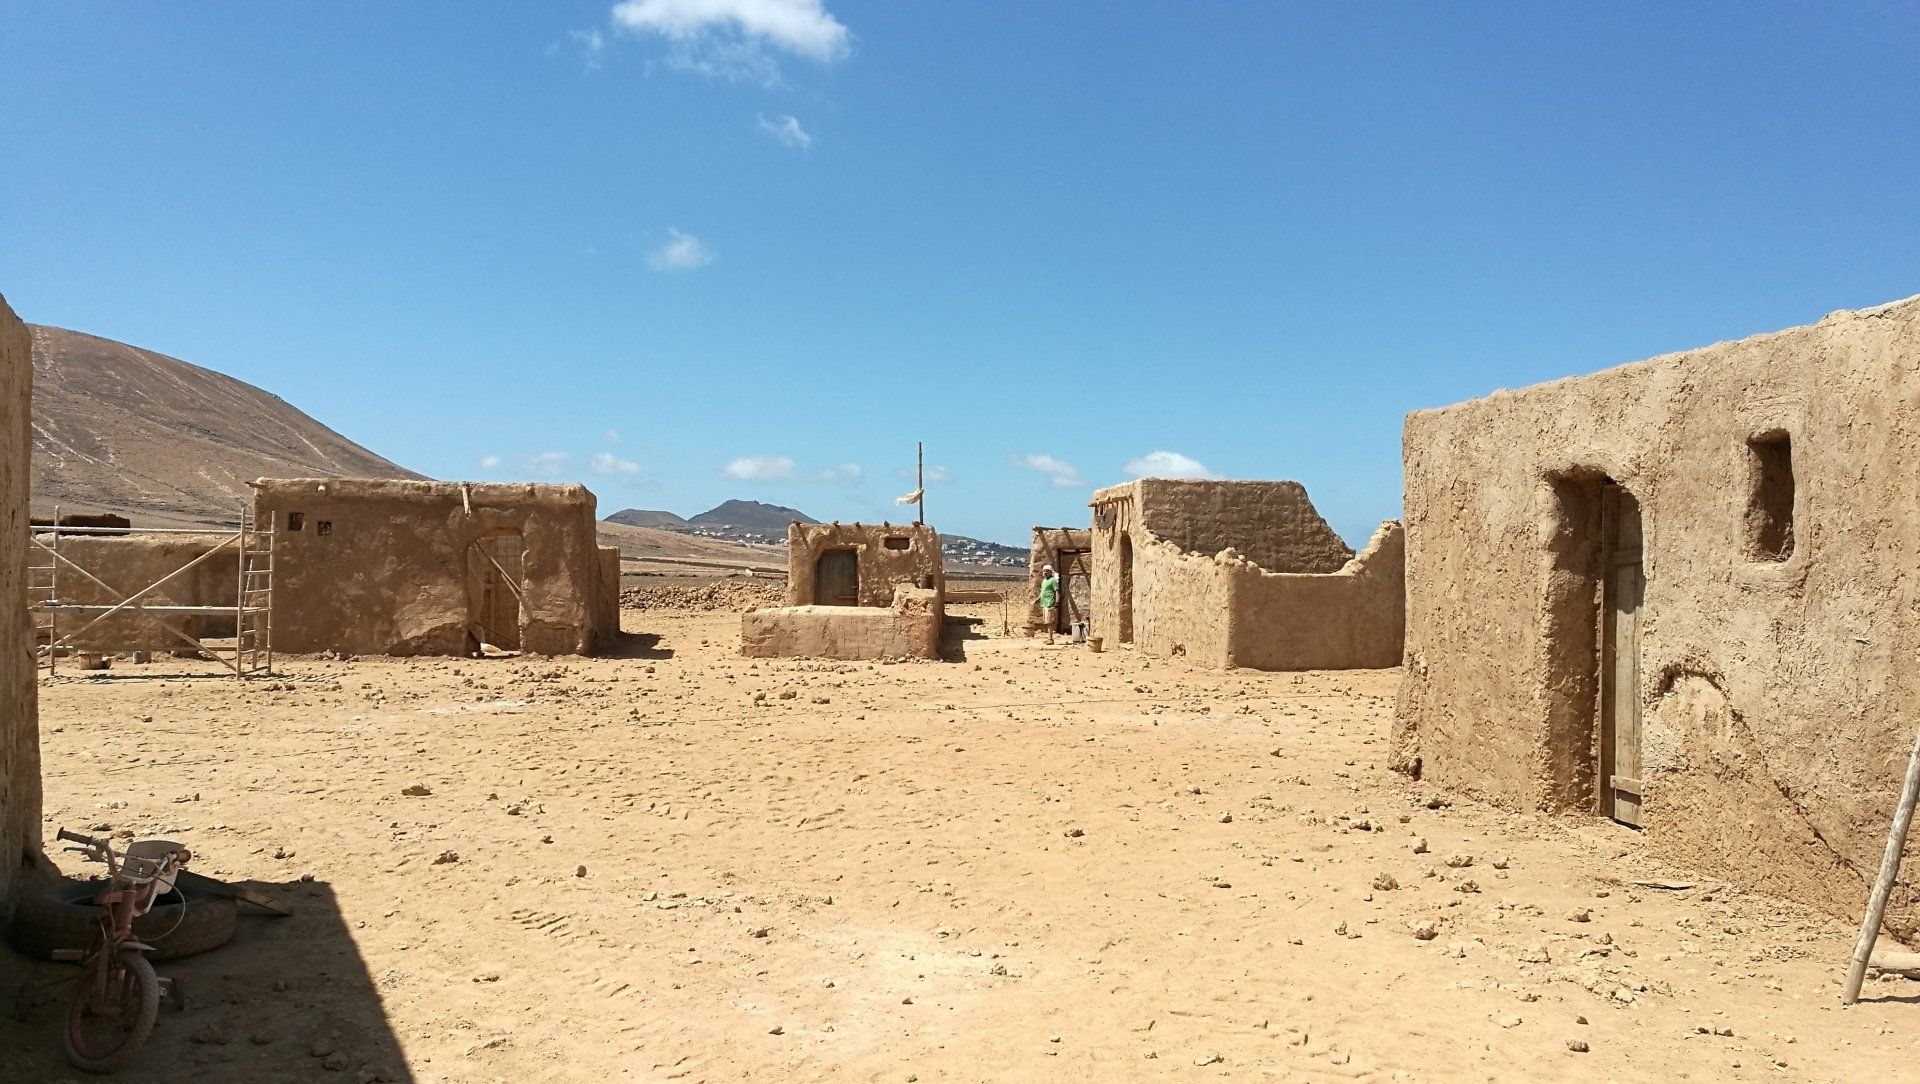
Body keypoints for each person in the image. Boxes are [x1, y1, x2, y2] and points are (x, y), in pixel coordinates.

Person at [1038, 563, 1060, 644]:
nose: (1045, 573)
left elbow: (1057, 591)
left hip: (1049, 603)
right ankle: (1049, 638)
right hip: (1044, 603)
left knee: (1049, 622)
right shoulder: (1044, 581)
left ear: (1051, 572)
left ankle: (1051, 639)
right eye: (1044, 571)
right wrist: (1037, 599)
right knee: (1047, 621)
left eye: (1047, 571)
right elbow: (1042, 592)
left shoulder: (1052, 580)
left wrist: (1057, 602)